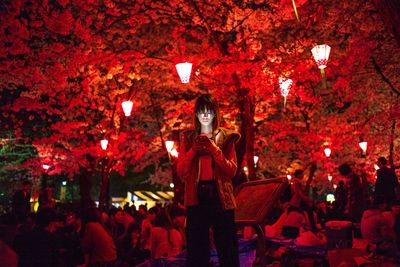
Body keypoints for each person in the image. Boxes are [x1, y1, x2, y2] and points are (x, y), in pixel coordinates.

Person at [177, 94, 240, 267]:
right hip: (196, 197)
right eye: (201, 111)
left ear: (215, 114)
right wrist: (193, 151)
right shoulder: (189, 139)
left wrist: (214, 149)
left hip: (221, 197)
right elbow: (181, 171)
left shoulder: (227, 137)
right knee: (197, 250)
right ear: (196, 114)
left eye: (209, 111)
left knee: (227, 248)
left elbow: (232, 170)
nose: (205, 115)